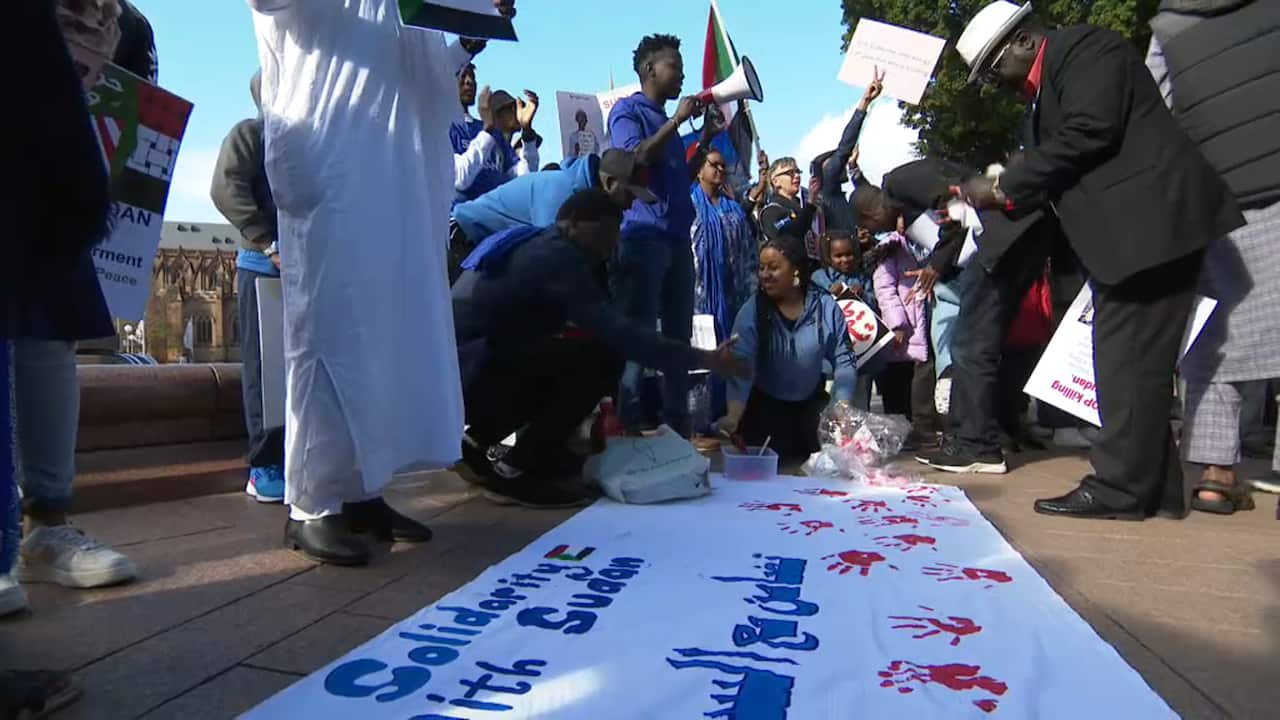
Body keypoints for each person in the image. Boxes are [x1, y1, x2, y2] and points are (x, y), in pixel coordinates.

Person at [247, 0, 515, 566]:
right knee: (327, 330)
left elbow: (417, 76)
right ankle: (312, 505)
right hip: (333, 159)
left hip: (396, 170)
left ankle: (364, 493)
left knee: (385, 333)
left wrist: (470, 30)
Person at [954, 1, 1243, 520]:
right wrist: (1009, 191)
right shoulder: (1042, 99)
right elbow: (1060, 170)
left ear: (1021, 40)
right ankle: (1152, 490)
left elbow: (1091, 130)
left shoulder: (1083, 49)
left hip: (1151, 227)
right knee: (1136, 362)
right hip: (1134, 236)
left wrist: (1002, 185)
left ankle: (1120, 489)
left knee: (1125, 359)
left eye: (993, 69)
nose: (995, 83)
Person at [453, 190, 747, 506]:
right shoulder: (556, 258)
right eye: (605, 234)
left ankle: (477, 442)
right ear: (575, 222)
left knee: (577, 353)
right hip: (472, 371)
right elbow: (621, 335)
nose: (610, 246)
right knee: (604, 359)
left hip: (464, 367)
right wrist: (706, 359)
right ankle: (514, 472)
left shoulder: (537, 242)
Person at [1144, 0, 1280, 514]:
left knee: (1216, 333)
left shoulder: (1169, 28)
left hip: (1215, 197)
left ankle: (1214, 471)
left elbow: (1154, 117)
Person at [608, 33, 718, 436]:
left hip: (675, 240)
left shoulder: (669, 130)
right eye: (674, 65)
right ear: (650, 69)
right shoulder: (627, 111)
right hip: (643, 238)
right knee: (638, 336)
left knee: (677, 339)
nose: (682, 74)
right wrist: (677, 122)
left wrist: (702, 139)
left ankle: (677, 429)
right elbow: (634, 158)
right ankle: (626, 426)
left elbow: (679, 180)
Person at [210, 70, 285, 503]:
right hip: (264, 267)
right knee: (265, 371)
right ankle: (263, 466)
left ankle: (292, 456)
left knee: (297, 374)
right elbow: (226, 188)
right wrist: (267, 241)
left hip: (302, 272)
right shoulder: (250, 133)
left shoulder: (304, 145)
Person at [717, 236, 858, 462]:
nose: (764, 275)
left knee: (829, 460)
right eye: (761, 268)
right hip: (765, 410)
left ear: (796, 272)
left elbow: (844, 360)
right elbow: (741, 366)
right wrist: (733, 416)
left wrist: (842, 405)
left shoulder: (825, 307)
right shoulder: (752, 310)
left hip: (811, 406)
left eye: (773, 268)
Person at [451, 148, 654, 250]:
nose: (630, 205)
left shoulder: (585, 200)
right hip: (461, 236)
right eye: (630, 195)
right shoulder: (561, 193)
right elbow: (549, 257)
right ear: (609, 183)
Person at [691, 148, 757, 425]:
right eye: (714, 165)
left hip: (733, 298)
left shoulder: (734, 210)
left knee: (734, 352)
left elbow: (747, 252)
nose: (720, 170)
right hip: (698, 298)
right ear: (698, 168)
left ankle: (731, 418)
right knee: (701, 360)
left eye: (723, 166)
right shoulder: (688, 204)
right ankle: (698, 423)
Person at [873, 232, 940, 443]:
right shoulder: (890, 246)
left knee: (925, 371)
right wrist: (896, 323)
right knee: (897, 377)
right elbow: (884, 288)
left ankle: (923, 427)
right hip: (904, 321)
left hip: (929, 315)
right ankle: (897, 431)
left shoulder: (935, 238)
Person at [812, 69, 885, 235]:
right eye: (833, 163)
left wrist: (852, 165)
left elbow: (867, 196)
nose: (839, 164)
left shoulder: (841, 198)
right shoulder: (827, 192)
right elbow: (845, 147)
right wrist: (864, 102)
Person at [759, 157, 820, 261]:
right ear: (775, 181)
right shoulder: (771, 211)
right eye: (790, 173)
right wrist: (810, 205)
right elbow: (788, 235)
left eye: (797, 172)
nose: (796, 176)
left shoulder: (802, 206)